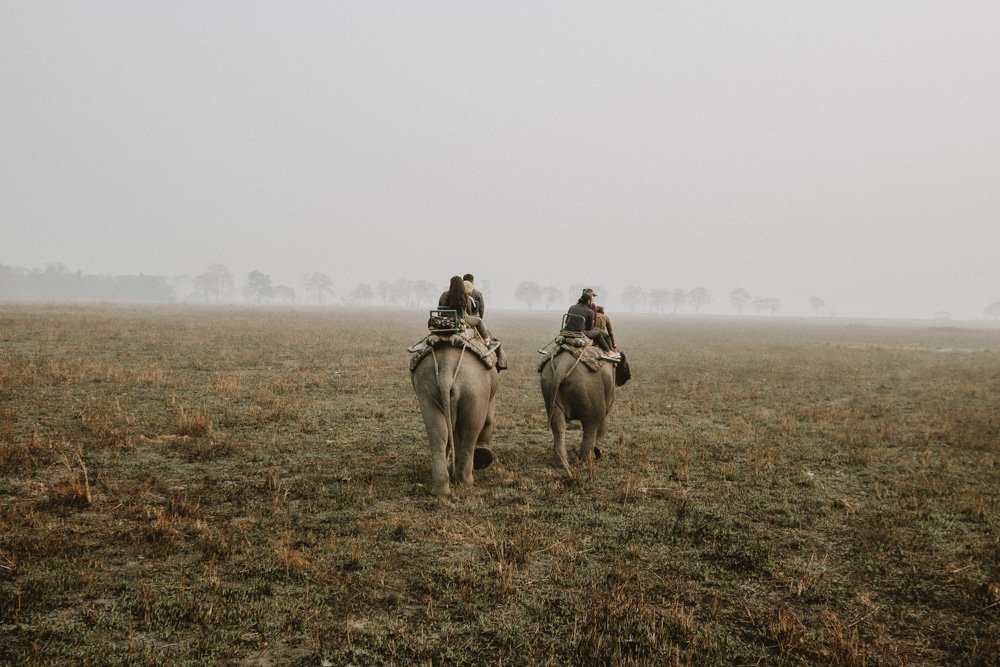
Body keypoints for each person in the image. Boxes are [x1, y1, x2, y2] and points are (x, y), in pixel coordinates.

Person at [439, 275, 491, 345]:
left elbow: (439, 307)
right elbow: (469, 312)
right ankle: (486, 340)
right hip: (460, 319)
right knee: (479, 321)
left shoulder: (443, 295)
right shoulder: (465, 296)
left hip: (444, 319)